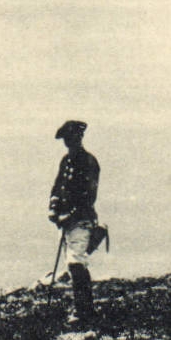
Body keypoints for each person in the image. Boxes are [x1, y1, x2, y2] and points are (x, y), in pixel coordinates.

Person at [48, 119, 101, 325]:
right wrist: (53, 209)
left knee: (76, 263)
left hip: (81, 220)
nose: (69, 143)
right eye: (66, 140)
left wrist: (68, 215)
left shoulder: (89, 162)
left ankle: (84, 311)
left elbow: (89, 196)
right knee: (72, 265)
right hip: (65, 223)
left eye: (71, 138)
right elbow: (57, 186)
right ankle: (82, 308)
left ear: (79, 137)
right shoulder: (66, 161)